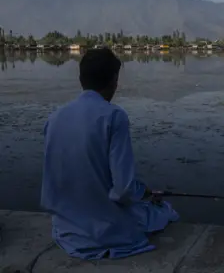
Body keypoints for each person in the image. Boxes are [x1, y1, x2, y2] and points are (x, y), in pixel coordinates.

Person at [41, 49, 179, 260]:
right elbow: (123, 190)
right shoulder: (114, 116)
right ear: (114, 80)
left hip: (66, 229)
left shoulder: (55, 118)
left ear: (81, 79)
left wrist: (141, 190)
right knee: (164, 212)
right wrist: (142, 193)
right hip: (103, 232)